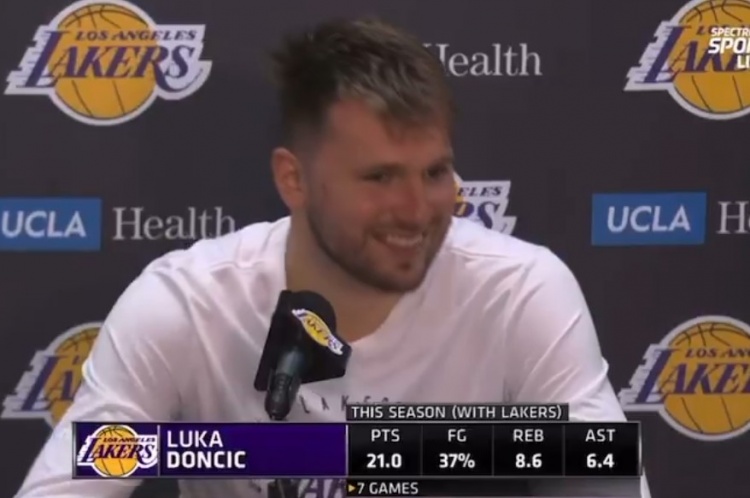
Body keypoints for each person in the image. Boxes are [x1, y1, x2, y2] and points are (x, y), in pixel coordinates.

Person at [15, 17, 650, 498]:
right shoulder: (184, 305)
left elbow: (602, 478)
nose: (417, 210)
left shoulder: (521, 292)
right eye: (380, 177)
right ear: (293, 179)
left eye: (434, 172)